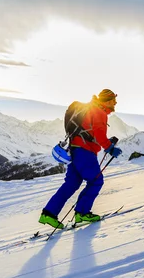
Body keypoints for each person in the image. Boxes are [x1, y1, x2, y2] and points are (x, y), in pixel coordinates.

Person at [39, 89, 123, 228]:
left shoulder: (91, 110)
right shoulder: (99, 112)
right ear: (107, 101)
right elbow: (98, 134)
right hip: (85, 152)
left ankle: (48, 213)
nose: (115, 103)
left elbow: (91, 133)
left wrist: (106, 143)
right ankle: (82, 214)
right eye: (114, 100)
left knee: (71, 184)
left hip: (75, 150)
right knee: (96, 181)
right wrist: (110, 148)